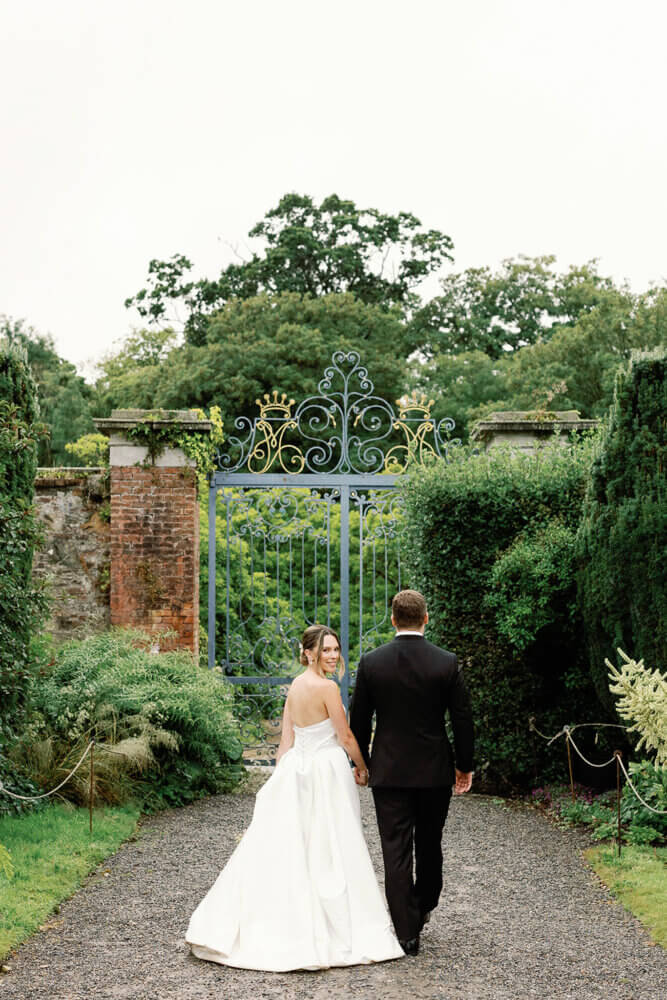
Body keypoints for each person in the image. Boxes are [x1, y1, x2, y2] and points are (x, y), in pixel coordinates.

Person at [185, 624, 404, 971]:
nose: (333, 656)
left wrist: (280, 777)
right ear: (308, 652)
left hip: (297, 771)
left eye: (335, 649)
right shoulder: (327, 688)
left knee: (299, 844)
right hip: (326, 772)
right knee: (331, 843)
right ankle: (332, 924)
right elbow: (345, 736)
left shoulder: (295, 687)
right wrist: (363, 766)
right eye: (326, 650)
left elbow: (285, 742)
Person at [349, 589, 474, 956]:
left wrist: (361, 764)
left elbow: (359, 719)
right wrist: (464, 766)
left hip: (388, 771)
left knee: (395, 849)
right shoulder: (445, 662)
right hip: (434, 771)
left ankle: (406, 932)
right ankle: (423, 904)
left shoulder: (372, 663)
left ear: (393, 619)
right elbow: (463, 719)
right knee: (429, 842)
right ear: (426, 618)